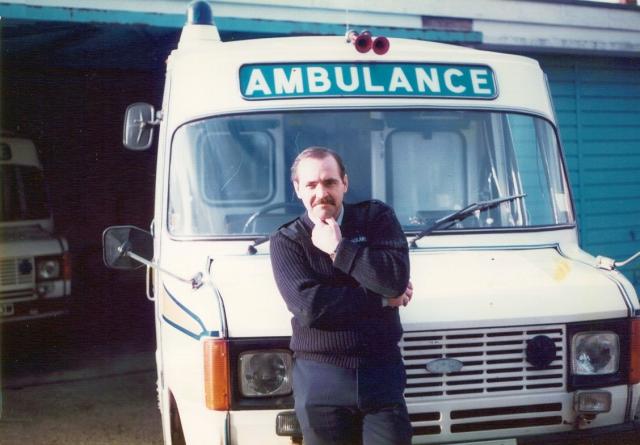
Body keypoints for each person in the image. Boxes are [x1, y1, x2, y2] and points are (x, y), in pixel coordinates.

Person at [270, 146, 413, 445]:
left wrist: (340, 249)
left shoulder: (376, 218)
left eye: (330, 182)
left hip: (380, 373)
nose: (321, 192)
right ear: (298, 189)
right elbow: (310, 308)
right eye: (311, 184)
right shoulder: (286, 240)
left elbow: (394, 280)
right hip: (321, 379)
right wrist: (382, 300)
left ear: (344, 183)